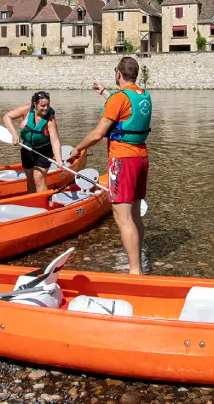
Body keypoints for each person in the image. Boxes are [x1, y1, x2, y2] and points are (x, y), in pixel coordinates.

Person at [68, 57, 151, 275]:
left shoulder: (119, 99)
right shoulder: (143, 95)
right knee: (133, 215)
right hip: (141, 157)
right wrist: (104, 92)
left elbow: (98, 133)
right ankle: (137, 264)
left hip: (122, 160)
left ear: (118, 74)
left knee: (122, 218)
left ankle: (135, 271)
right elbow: (124, 107)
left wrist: (78, 148)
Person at [2, 92, 63, 193]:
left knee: (38, 178)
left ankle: (44, 203)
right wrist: (14, 134)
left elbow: (55, 141)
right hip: (27, 148)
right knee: (30, 177)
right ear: (35, 104)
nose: (46, 108)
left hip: (44, 150)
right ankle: (32, 202)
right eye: (42, 105)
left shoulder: (50, 120)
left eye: (48, 105)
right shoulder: (26, 110)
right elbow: (7, 117)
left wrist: (59, 159)